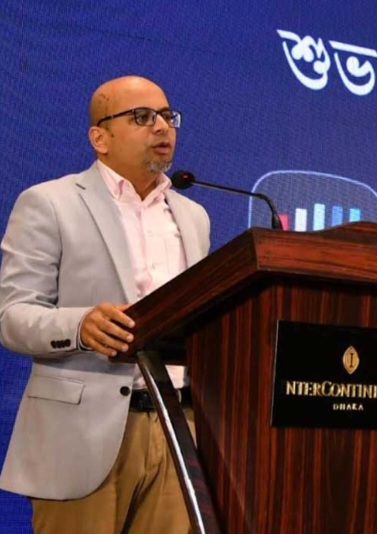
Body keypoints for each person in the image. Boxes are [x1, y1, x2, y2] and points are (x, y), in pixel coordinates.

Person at [0, 75, 210, 534]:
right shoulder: (49, 203)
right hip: (81, 436)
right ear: (100, 138)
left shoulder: (193, 216)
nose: (162, 127)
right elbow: (12, 317)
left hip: (177, 429)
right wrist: (80, 326)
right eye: (142, 117)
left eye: (167, 116)